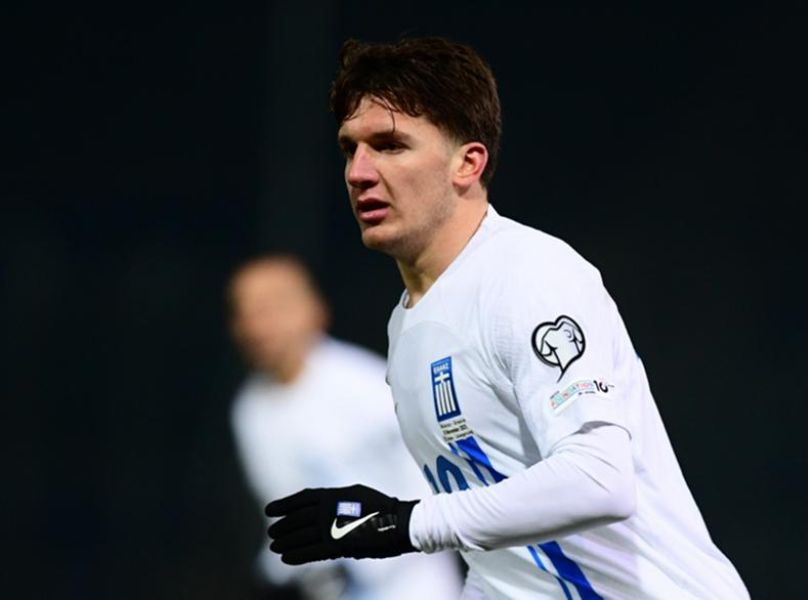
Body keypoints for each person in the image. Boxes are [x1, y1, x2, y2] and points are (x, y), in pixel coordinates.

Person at [265, 38, 751, 599]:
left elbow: (599, 480)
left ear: (467, 163)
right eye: (349, 149)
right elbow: (501, 560)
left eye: (390, 145)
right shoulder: (408, 328)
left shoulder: (530, 276)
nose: (359, 172)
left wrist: (401, 522)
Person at [227, 255, 463, 599]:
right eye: (244, 312)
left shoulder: (366, 385)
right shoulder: (251, 411)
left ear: (314, 309)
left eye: (271, 309)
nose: (257, 325)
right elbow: (282, 514)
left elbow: (433, 483)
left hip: (411, 584)